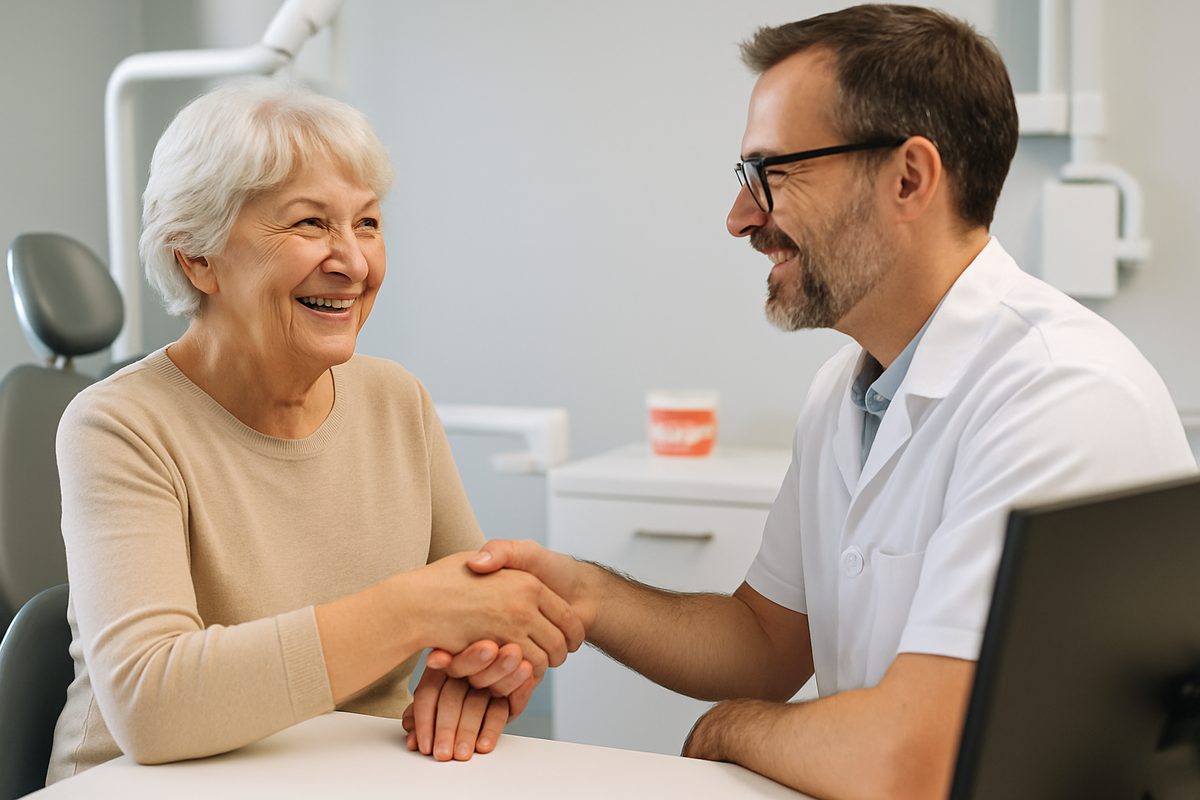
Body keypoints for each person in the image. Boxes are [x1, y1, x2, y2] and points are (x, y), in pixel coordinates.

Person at [407, 4, 1197, 797]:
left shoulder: (1059, 396)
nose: (741, 218)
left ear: (909, 179)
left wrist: (728, 729)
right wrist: (579, 592)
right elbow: (766, 639)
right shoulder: (849, 389)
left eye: (772, 174)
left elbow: (918, 761)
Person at [47, 80, 582, 783]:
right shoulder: (118, 426)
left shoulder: (398, 401)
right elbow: (151, 703)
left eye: (366, 223)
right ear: (196, 257)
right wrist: (414, 610)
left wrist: (484, 676)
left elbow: (491, 619)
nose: (354, 263)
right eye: (308, 224)